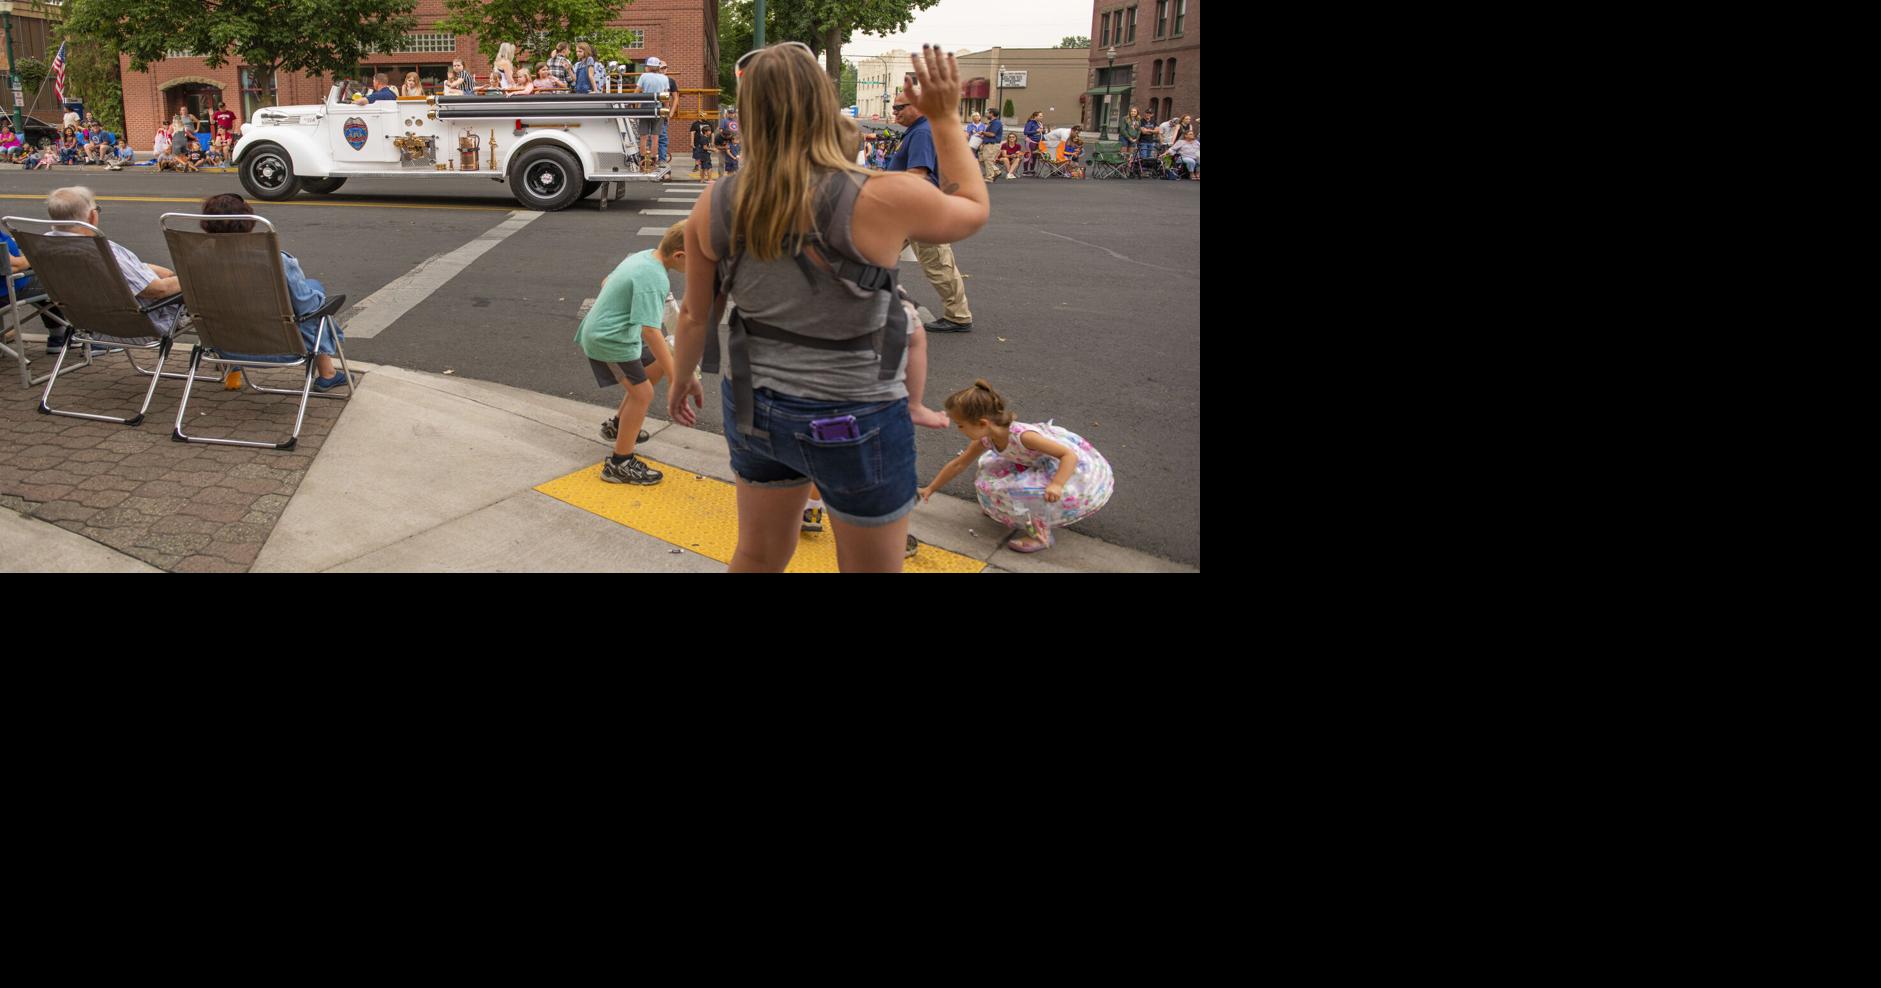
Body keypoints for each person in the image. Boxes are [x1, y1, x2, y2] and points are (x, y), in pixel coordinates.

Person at [666, 43, 988, 572]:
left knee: (759, 552)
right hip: (855, 414)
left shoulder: (716, 200)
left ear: (747, 114)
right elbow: (973, 209)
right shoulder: (880, 195)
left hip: (754, 405)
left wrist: (681, 379)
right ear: (824, 104)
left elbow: (697, 314)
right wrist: (947, 118)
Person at [918, 380, 1114, 553]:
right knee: (990, 478)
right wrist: (931, 488)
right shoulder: (986, 438)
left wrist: (1057, 484)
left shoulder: (1023, 436)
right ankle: (1003, 508)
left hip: (1062, 467)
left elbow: (1068, 455)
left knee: (1022, 493)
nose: (959, 429)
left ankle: (1040, 535)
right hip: (1028, 462)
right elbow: (959, 464)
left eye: (960, 425)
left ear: (982, 423)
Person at [190, 194, 348, 389]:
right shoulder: (277, 261)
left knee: (230, 304)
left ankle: (232, 369)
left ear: (206, 224)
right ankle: (328, 373)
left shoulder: (196, 260)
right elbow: (307, 306)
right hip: (281, 349)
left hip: (226, 347)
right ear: (249, 221)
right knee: (314, 300)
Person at [578, 222, 686, 485]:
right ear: (680, 256)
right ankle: (620, 463)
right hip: (609, 341)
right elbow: (651, 331)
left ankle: (618, 425)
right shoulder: (655, 278)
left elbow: (606, 282)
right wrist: (677, 379)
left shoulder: (646, 256)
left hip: (618, 336)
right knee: (644, 392)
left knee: (655, 368)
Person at [44, 186, 184, 347]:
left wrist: (143, 268)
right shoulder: (100, 251)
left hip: (86, 322)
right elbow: (158, 290)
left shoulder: (43, 245)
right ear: (92, 216)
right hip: (138, 324)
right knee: (200, 290)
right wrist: (191, 278)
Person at [888, 87, 974, 334]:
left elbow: (918, 175)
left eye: (899, 107)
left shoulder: (923, 133)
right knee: (875, 253)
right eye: (894, 108)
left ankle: (958, 316)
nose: (894, 113)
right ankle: (867, 303)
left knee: (938, 263)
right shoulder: (920, 130)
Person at [636, 56, 672, 161]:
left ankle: (642, 160)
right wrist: (666, 112)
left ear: (649, 67)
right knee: (655, 137)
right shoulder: (664, 78)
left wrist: (634, 107)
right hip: (658, 108)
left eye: (646, 66)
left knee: (643, 136)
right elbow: (666, 98)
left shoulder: (644, 76)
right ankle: (653, 160)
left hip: (644, 109)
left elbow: (636, 93)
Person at [980, 109, 1003, 181]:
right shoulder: (992, 122)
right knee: (982, 159)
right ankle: (996, 171)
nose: (987, 115)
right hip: (988, 144)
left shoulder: (996, 123)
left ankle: (989, 177)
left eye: (988, 113)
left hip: (992, 144)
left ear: (992, 114)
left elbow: (992, 134)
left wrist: (983, 132)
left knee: (988, 160)